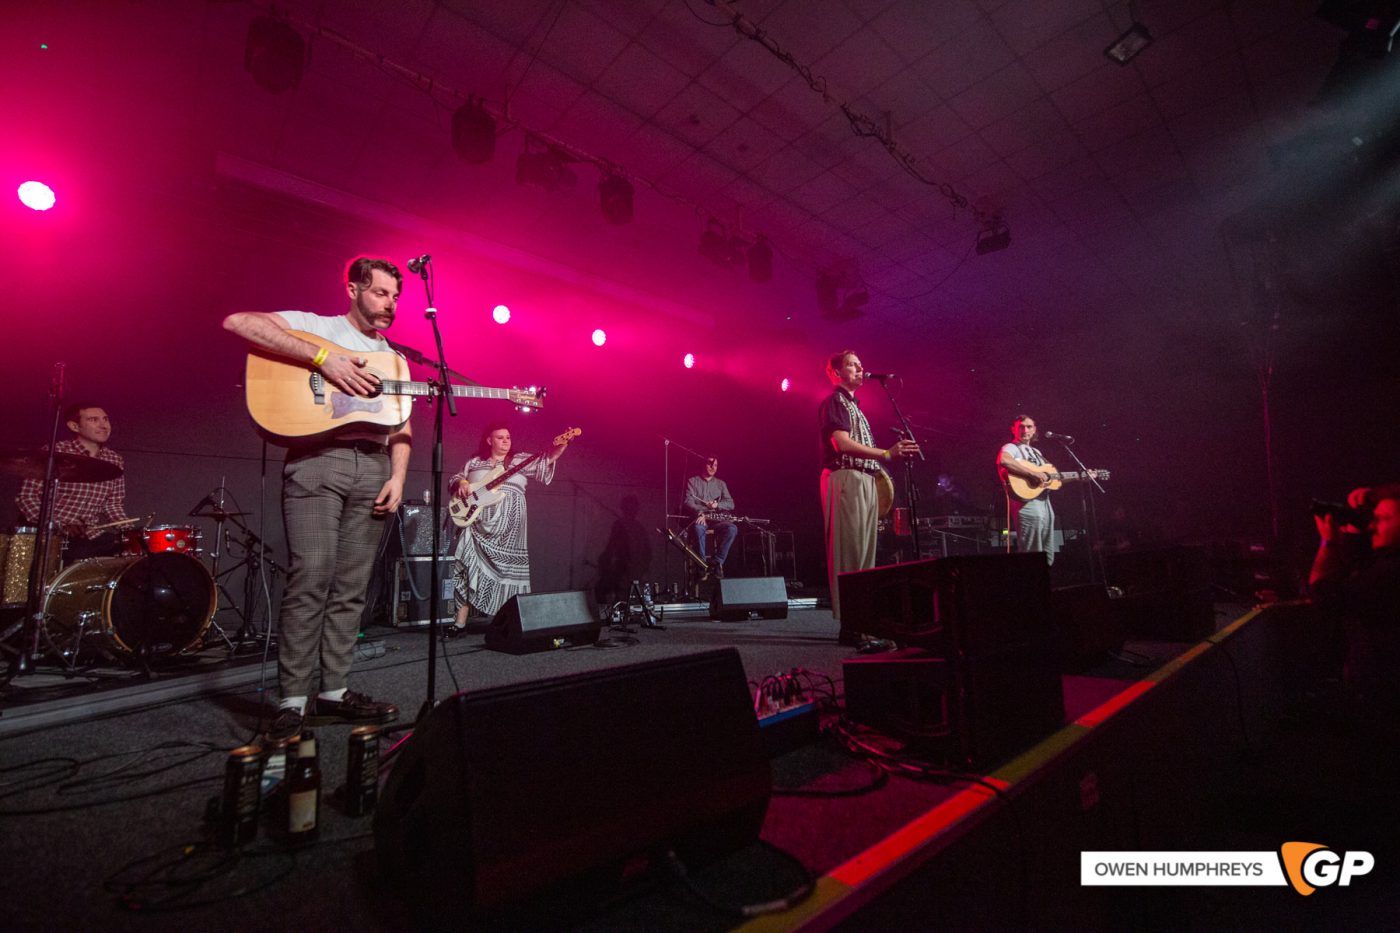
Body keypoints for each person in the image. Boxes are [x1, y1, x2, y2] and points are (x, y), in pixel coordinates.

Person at [223, 256, 409, 742]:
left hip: (373, 466)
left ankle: (333, 692)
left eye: (394, 296)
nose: (388, 304)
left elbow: (403, 427)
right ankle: (292, 699)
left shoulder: (396, 358)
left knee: (351, 586)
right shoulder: (317, 327)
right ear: (353, 289)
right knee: (312, 576)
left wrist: (399, 476)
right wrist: (324, 359)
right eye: (379, 293)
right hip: (316, 461)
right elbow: (238, 322)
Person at [819, 350, 918, 648]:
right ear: (836, 372)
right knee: (850, 552)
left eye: (861, 364)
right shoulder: (834, 402)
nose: (861, 369)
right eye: (852, 365)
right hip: (846, 476)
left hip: (863, 478)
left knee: (864, 555)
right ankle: (852, 625)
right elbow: (841, 444)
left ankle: (860, 623)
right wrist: (886, 454)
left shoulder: (855, 407)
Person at [444, 421, 569, 635]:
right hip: (476, 523)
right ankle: (460, 622)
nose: (505, 441)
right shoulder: (475, 462)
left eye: (508, 437)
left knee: (508, 575)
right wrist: (462, 484)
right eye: (500, 437)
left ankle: (508, 622)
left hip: (510, 527)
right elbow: (455, 478)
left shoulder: (519, 460)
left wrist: (562, 444)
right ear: (489, 440)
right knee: (465, 567)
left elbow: (548, 459)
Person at [1310, 484, 1400, 721]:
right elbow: (1357, 566)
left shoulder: (1390, 573)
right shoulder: (1384, 567)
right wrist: (1352, 530)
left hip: (1383, 703)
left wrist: (1327, 543)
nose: (1372, 526)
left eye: (1382, 519)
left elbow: (1322, 594)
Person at [16, 403, 132, 562]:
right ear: (74, 426)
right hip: (53, 535)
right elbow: (27, 497)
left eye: (105, 419)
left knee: (131, 554)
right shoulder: (55, 453)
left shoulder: (115, 460)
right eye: (94, 420)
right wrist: (58, 524)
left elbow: (112, 504)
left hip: (90, 534)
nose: (103, 425)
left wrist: (130, 532)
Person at [997, 414, 1058, 566]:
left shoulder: (1037, 453)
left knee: (1048, 554)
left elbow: (1051, 478)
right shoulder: (1011, 447)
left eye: (1029, 426)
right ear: (1014, 429)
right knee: (1032, 553)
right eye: (1021, 427)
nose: (1025, 430)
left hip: (1045, 503)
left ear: (1034, 429)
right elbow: (1004, 460)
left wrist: (1081, 475)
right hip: (1027, 504)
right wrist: (1032, 473)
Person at [684, 457, 738, 577]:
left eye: (716, 465)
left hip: (716, 519)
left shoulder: (721, 484)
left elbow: (731, 504)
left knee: (732, 529)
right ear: (704, 464)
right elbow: (688, 501)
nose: (713, 467)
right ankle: (702, 564)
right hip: (700, 518)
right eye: (710, 464)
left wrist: (717, 504)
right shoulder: (692, 481)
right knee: (698, 528)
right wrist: (700, 512)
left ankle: (717, 561)